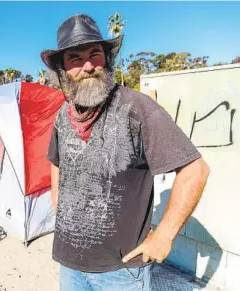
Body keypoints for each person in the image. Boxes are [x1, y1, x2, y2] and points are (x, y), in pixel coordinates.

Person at [40, 14, 210, 291]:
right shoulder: (63, 115)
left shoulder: (137, 110)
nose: (87, 66)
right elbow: (57, 163)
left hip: (120, 271)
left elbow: (195, 170)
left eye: (95, 54)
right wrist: (62, 213)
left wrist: (164, 236)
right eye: (75, 58)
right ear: (63, 70)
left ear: (107, 59)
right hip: (69, 263)